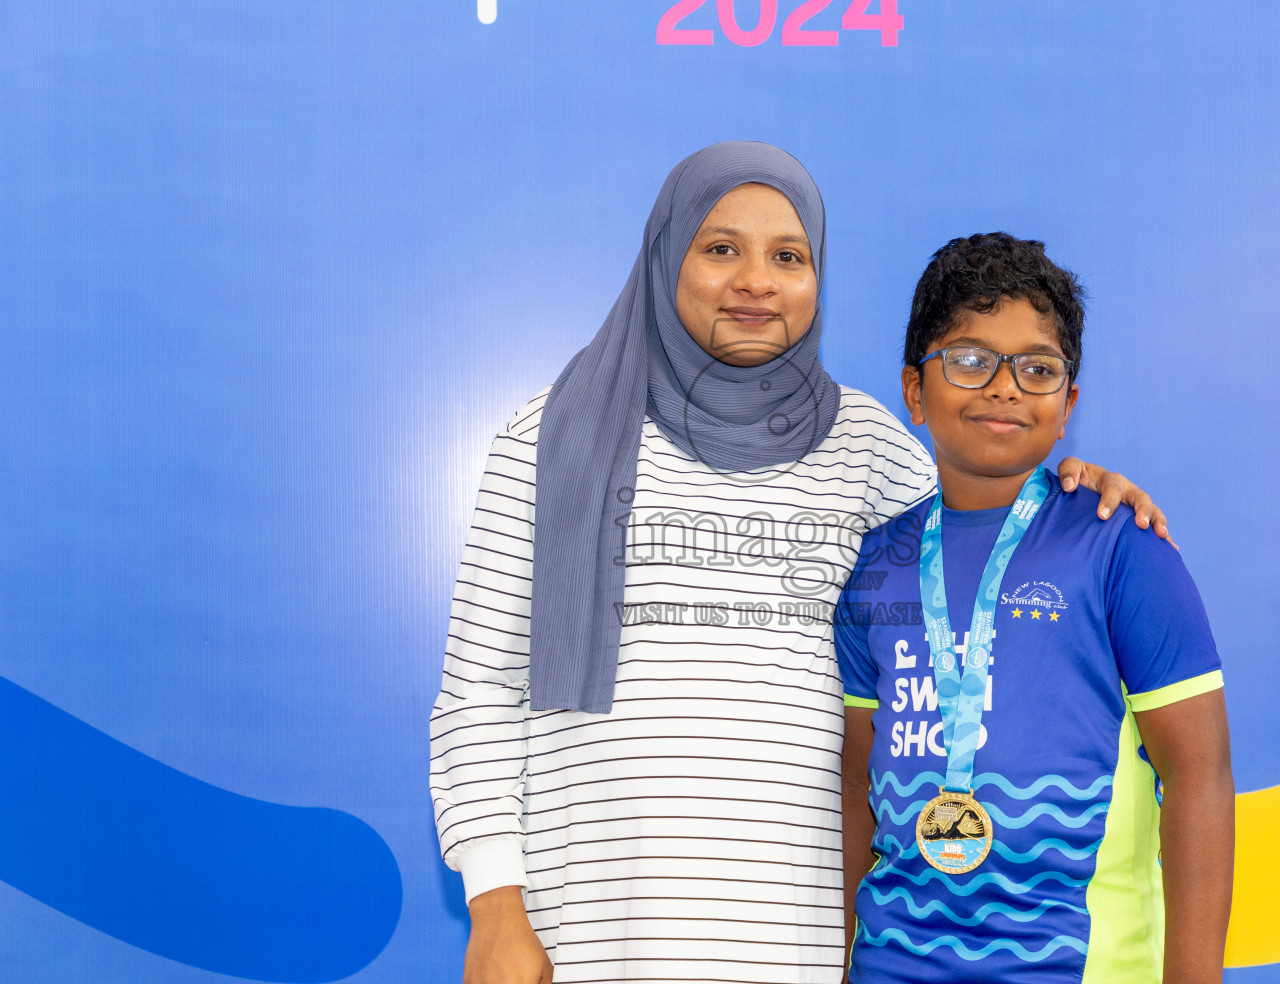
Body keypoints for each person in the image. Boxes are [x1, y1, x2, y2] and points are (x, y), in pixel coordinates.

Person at [429, 143, 1172, 984]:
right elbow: (479, 691)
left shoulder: (869, 449)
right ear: (665, 260)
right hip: (591, 927)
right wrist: (494, 905)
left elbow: (982, 521)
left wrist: (1075, 486)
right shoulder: (551, 438)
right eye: (721, 249)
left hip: (798, 941)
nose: (757, 280)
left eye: (789, 256)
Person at [836, 233, 1234, 983]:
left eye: (1037, 368)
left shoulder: (1122, 548)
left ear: (1067, 405)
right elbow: (860, 782)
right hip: (892, 964)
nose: (1004, 386)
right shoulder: (877, 566)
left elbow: (1199, 775)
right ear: (915, 391)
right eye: (969, 359)